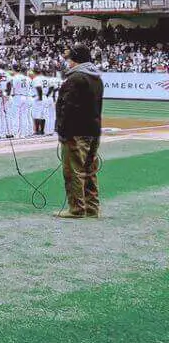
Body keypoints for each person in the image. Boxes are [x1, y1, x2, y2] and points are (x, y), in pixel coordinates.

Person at [56, 45, 103, 218]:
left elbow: (67, 107)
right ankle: (92, 207)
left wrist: (62, 130)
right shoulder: (96, 78)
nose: (67, 62)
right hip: (93, 130)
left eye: (69, 58)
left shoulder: (75, 78)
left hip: (76, 131)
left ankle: (76, 208)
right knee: (90, 170)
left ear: (75, 59)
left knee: (73, 170)